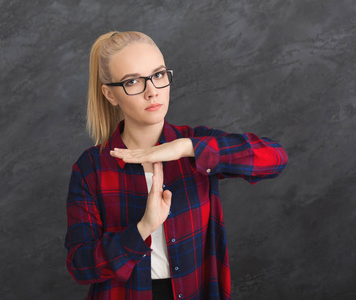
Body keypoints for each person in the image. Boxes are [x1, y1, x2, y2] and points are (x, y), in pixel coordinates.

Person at [64, 31, 288, 300]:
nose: (152, 92)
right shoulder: (91, 168)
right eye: (133, 81)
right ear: (110, 95)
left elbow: (275, 158)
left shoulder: (195, 145)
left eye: (158, 75)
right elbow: (81, 266)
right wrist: (142, 229)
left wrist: (186, 148)